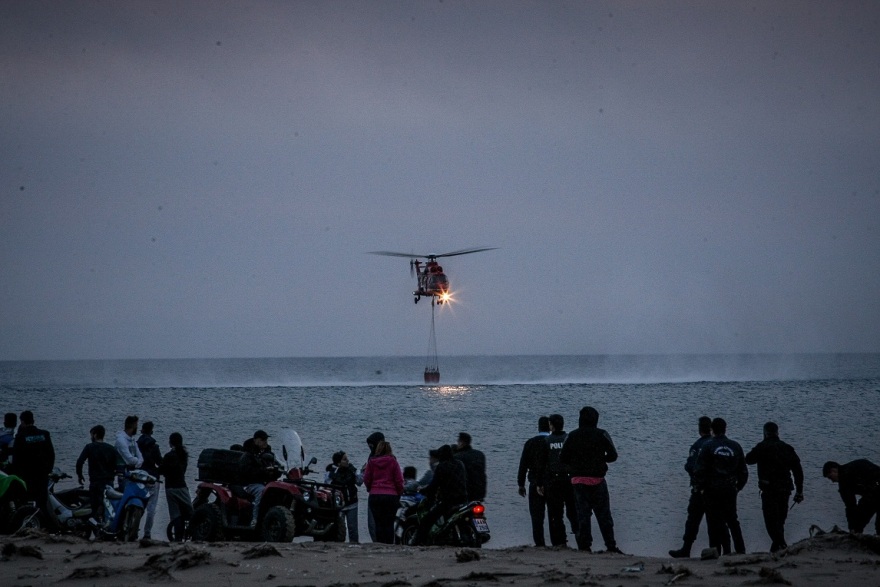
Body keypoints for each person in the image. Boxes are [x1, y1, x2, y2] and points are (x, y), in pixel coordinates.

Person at [558, 406, 622, 554]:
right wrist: (601, 459)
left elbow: (563, 458)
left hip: (578, 481)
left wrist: (574, 466)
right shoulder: (602, 434)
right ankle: (610, 546)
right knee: (604, 515)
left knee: (583, 516)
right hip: (598, 480)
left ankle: (584, 546)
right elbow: (613, 455)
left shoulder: (572, 435)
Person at [745, 422, 804, 552]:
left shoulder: (762, 447)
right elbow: (798, 471)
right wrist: (799, 491)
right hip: (785, 489)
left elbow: (748, 459)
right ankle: (777, 549)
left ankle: (782, 545)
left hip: (769, 490)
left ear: (765, 433)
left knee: (771, 522)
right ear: (777, 433)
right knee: (780, 521)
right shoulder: (787, 448)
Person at [693, 417, 748, 555]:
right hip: (729, 488)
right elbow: (743, 471)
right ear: (725, 429)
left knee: (713, 521)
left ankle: (715, 550)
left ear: (712, 430)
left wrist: (699, 487)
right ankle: (740, 550)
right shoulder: (735, 446)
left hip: (712, 490)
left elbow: (699, 469)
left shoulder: (707, 446)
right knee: (732, 520)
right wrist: (738, 487)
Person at [669, 416, 714, 558]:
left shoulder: (698, 445)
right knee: (716, 521)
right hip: (717, 489)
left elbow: (690, 466)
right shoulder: (716, 444)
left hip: (700, 489)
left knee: (693, 520)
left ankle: (686, 549)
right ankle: (719, 548)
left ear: (699, 429)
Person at [412, 444, 468, 545]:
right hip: (463, 499)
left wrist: (423, 490)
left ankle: (419, 543)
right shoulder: (460, 464)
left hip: (448, 501)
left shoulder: (441, 466)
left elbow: (434, 485)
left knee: (426, 521)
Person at [537, 414, 578, 547]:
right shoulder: (569, 438)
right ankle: (580, 538)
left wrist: (539, 483)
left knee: (556, 514)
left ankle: (560, 543)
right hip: (570, 480)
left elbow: (542, 464)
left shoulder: (547, 441)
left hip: (554, 481)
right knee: (573, 512)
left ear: (551, 425)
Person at [823, 459, 880, 535]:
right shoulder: (843, 485)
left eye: (830, 477)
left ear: (834, 470)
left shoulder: (851, 471)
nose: (832, 481)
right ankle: (856, 532)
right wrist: (852, 527)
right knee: (859, 517)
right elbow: (850, 506)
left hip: (875, 489)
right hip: (871, 494)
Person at [517, 415, 550, 547]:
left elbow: (523, 465)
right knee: (554, 515)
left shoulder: (530, 443)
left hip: (534, 482)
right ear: (550, 427)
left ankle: (539, 543)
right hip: (552, 483)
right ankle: (558, 542)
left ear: (538, 427)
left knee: (537, 516)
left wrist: (521, 484)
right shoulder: (551, 442)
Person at [12, 410, 55, 510]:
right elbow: (51, 454)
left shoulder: (20, 437)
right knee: (42, 501)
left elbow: (16, 458)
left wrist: (16, 474)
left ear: (22, 422)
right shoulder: (44, 434)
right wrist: (49, 469)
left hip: (27, 475)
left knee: (25, 502)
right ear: (33, 420)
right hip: (42, 473)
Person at [74, 424, 118, 524]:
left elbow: (80, 462)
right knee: (108, 507)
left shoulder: (89, 447)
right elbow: (118, 465)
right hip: (108, 483)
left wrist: (80, 475)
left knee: (94, 508)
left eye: (91, 435)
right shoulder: (111, 448)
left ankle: (96, 528)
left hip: (95, 482)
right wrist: (114, 473)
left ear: (95, 435)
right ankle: (107, 526)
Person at [362, 440, 403, 544]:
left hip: (375, 495)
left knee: (378, 523)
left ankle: (379, 544)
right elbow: (399, 480)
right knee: (389, 523)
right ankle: (388, 544)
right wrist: (399, 493)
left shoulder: (371, 462)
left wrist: (370, 489)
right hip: (391, 496)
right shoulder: (393, 461)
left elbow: (366, 479)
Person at [242, 430, 280, 528]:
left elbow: (277, 465)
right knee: (262, 491)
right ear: (255, 440)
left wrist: (278, 470)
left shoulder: (268, 453)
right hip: (250, 484)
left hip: (265, 482)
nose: (265, 442)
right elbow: (247, 472)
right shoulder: (248, 454)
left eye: (266, 439)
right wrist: (263, 471)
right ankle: (255, 520)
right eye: (263, 440)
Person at [160, 432, 193, 542]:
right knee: (189, 512)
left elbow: (162, 470)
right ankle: (190, 534)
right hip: (182, 487)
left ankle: (178, 538)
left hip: (170, 488)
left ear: (170, 443)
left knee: (175, 515)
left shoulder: (168, 456)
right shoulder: (184, 455)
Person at [326, 450, 364, 543]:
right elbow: (327, 485)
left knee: (353, 528)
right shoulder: (331, 472)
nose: (347, 461)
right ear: (338, 462)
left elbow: (359, 482)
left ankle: (354, 545)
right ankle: (339, 544)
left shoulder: (351, 469)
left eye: (347, 458)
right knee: (339, 528)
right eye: (344, 459)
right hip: (339, 505)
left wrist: (362, 472)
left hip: (352, 503)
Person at [136, 421, 163, 539]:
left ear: (142, 430)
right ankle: (147, 533)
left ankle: (133, 528)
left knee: (137, 505)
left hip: (139, 477)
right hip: (152, 477)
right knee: (151, 508)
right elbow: (160, 463)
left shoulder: (136, 445)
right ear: (152, 431)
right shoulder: (154, 446)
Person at [363, 431, 385, 541]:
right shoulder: (391, 458)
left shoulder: (374, 458)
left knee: (374, 523)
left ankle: (379, 542)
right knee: (376, 523)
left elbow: (368, 478)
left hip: (376, 493)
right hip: (385, 494)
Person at [453, 432, 486, 502]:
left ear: (461, 443)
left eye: (458, 441)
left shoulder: (457, 457)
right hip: (480, 493)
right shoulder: (480, 455)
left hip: (466, 494)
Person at [114, 415, 143, 488]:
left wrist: (136, 463)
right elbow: (129, 459)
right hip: (123, 474)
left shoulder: (132, 439)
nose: (137, 428)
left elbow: (141, 458)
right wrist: (137, 461)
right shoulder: (121, 440)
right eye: (136, 425)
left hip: (132, 473)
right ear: (133, 425)